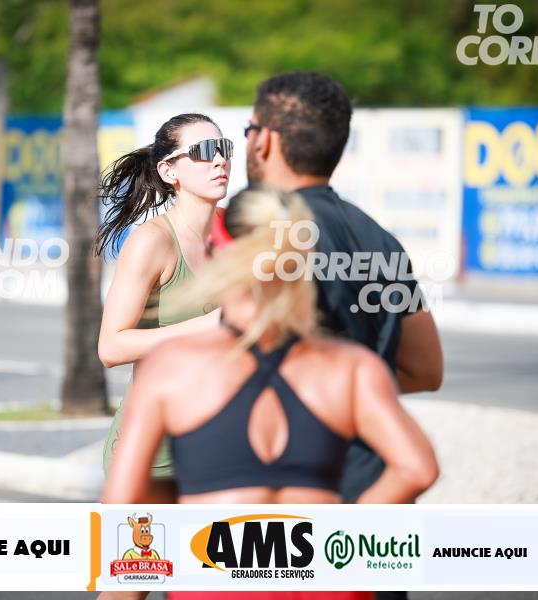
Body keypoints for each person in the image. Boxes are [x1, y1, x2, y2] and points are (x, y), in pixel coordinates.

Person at [102, 188, 438, 600]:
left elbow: (123, 498)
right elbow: (418, 468)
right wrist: (345, 540)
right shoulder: (350, 368)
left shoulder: (172, 369)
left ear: (218, 257)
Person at [243, 72, 444, 506]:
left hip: (295, 488)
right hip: (376, 481)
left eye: (249, 129)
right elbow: (426, 370)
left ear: (265, 141)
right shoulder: (380, 239)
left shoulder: (264, 234)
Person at [96, 113, 232, 502]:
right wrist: (209, 325)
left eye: (224, 148)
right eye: (203, 151)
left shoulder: (235, 232)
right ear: (169, 170)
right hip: (155, 452)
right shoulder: (152, 242)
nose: (219, 160)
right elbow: (111, 347)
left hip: (221, 443)